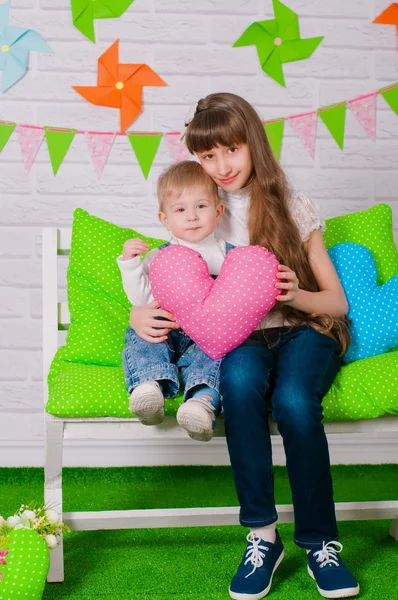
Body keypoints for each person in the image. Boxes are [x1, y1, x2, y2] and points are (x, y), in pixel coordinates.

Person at [129, 93, 360, 600]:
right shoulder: (199, 207)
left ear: (253, 144)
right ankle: (262, 534)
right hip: (240, 338)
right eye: (208, 156)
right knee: (236, 384)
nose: (221, 166)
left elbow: (336, 303)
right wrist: (136, 311)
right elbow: (166, 279)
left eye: (230, 150)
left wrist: (295, 292)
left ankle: (321, 541)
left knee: (295, 402)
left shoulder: (291, 207)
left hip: (305, 328)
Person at [118, 160, 237, 442]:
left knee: (226, 351)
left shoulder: (231, 257)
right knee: (143, 334)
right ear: (165, 219)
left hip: (208, 337)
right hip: (167, 328)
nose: (192, 217)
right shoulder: (160, 255)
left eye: (201, 206)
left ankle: (201, 401)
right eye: (181, 210)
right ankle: (148, 386)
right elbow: (141, 300)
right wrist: (130, 264)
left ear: (218, 211)